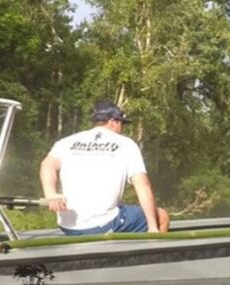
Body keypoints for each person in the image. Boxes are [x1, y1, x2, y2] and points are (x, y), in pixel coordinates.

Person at [40, 100, 170, 235]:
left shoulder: (67, 142)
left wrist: (50, 194)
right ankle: (151, 254)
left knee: (120, 210)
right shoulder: (126, 144)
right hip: (101, 225)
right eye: (121, 123)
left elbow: (47, 164)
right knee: (162, 216)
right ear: (113, 121)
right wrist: (152, 227)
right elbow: (143, 185)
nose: (121, 128)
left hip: (68, 226)